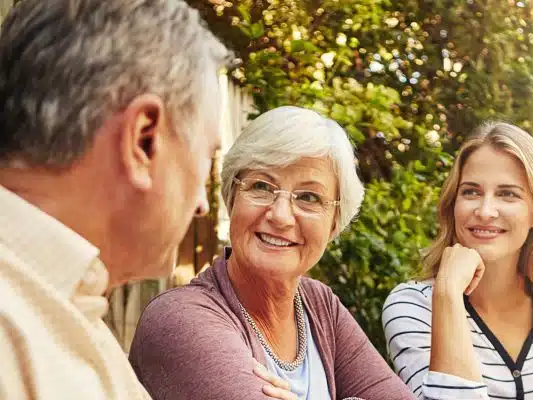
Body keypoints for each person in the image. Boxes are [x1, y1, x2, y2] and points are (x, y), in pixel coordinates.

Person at [0, 0, 231, 397]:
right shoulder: (16, 336)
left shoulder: (68, 306)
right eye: (204, 159)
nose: (202, 205)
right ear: (143, 139)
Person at [129, 106, 416, 400]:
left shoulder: (320, 306)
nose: (280, 216)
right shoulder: (180, 320)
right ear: (232, 199)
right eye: (262, 187)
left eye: (308, 197)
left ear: (334, 225)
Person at [382, 122, 533, 399]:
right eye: (471, 192)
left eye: (507, 194)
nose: (485, 210)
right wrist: (447, 294)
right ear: (452, 205)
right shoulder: (411, 307)